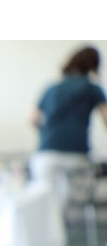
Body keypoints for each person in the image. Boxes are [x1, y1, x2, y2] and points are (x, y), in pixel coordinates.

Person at [29, 45, 107, 210]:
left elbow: (33, 119)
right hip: (76, 156)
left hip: (46, 154)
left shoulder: (51, 88)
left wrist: (48, 135)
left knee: (48, 205)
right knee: (74, 205)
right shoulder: (92, 88)